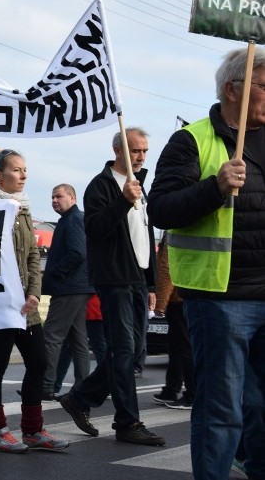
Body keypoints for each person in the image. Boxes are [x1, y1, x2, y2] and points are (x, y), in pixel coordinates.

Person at [147, 47, 265, 479]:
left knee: (258, 407)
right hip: (220, 299)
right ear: (235, 90)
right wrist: (214, 188)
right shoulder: (192, 140)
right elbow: (159, 210)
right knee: (221, 407)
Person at [58, 127, 165, 446]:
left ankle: (80, 398)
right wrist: (122, 201)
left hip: (136, 277)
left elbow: (145, 236)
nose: (142, 156)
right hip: (114, 278)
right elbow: (96, 230)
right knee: (123, 350)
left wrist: (150, 283)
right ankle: (127, 422)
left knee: (129, 352)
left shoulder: (139, 186)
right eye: (135, 150)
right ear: (117, 150)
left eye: (145, 150)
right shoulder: (101, 186)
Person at [0, 150, 68, 453]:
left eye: (25, 169)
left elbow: (31, 257)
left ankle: (32, 429)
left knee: (39, 362)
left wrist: (34, 292)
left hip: (26, 307)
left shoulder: (24, 209)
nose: (24, 175)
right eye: (17, 170)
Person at [40, 184, 93, 401]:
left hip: (69, 288)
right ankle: (83, 388)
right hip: (77, 287)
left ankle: (45, 387)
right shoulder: (70, 220)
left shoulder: (73, 220)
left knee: (51, 336)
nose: (54, 200)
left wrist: (54, 273)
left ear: (72, 197)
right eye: (52, 197)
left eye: (58, 196)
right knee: (78, 340)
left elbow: (77, 253)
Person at [151, 233, 193, 410]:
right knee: (176, 346)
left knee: (183, 347)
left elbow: (167, 268)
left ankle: (192, 394)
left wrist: (160, 303)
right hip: (184, 295)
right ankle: (171, 389)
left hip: (178, 298)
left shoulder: (174, 232)